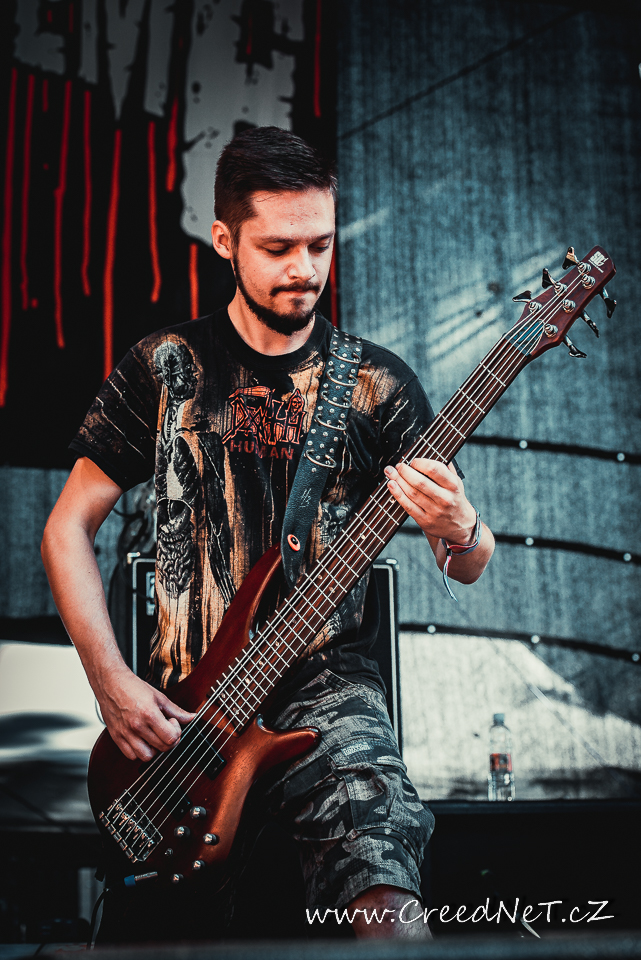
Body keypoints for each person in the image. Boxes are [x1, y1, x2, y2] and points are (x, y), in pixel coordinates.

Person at [41, 126, 494, 941]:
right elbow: (66, 528)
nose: (304, 269)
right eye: (278, 247)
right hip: (187, 706)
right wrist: (109, 681)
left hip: (328, 686)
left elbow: (465, 564)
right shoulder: (165, 364)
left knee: (381, 862)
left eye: (320, 244)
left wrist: (461, 528)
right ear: (224, 240)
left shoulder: (376, 383)